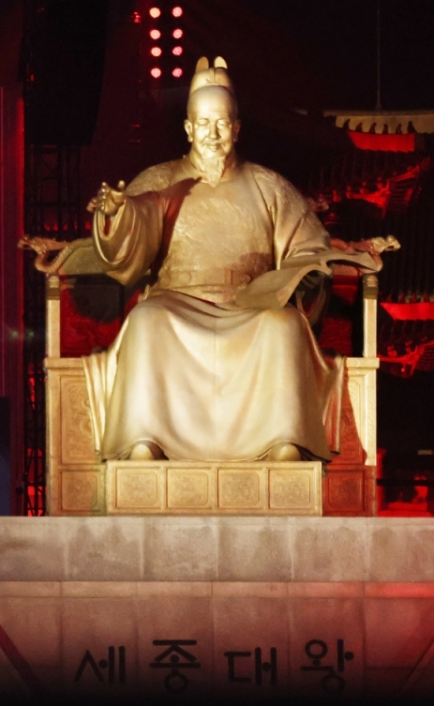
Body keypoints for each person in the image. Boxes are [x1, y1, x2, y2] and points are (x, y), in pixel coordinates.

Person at [83, 57, 380, 463]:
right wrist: (117, 214)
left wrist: (308, 267)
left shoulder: (269, 186)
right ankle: (144, 441)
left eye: (222, 124)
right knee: (147, 320)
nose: (212, 134)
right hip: (177, 301)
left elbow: (308, 246)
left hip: (250, 303)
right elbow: (134, 226)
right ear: (188, 128)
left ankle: (283, 442)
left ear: (237, 129)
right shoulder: (160, 180)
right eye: (203, 123)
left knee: (285, 326)